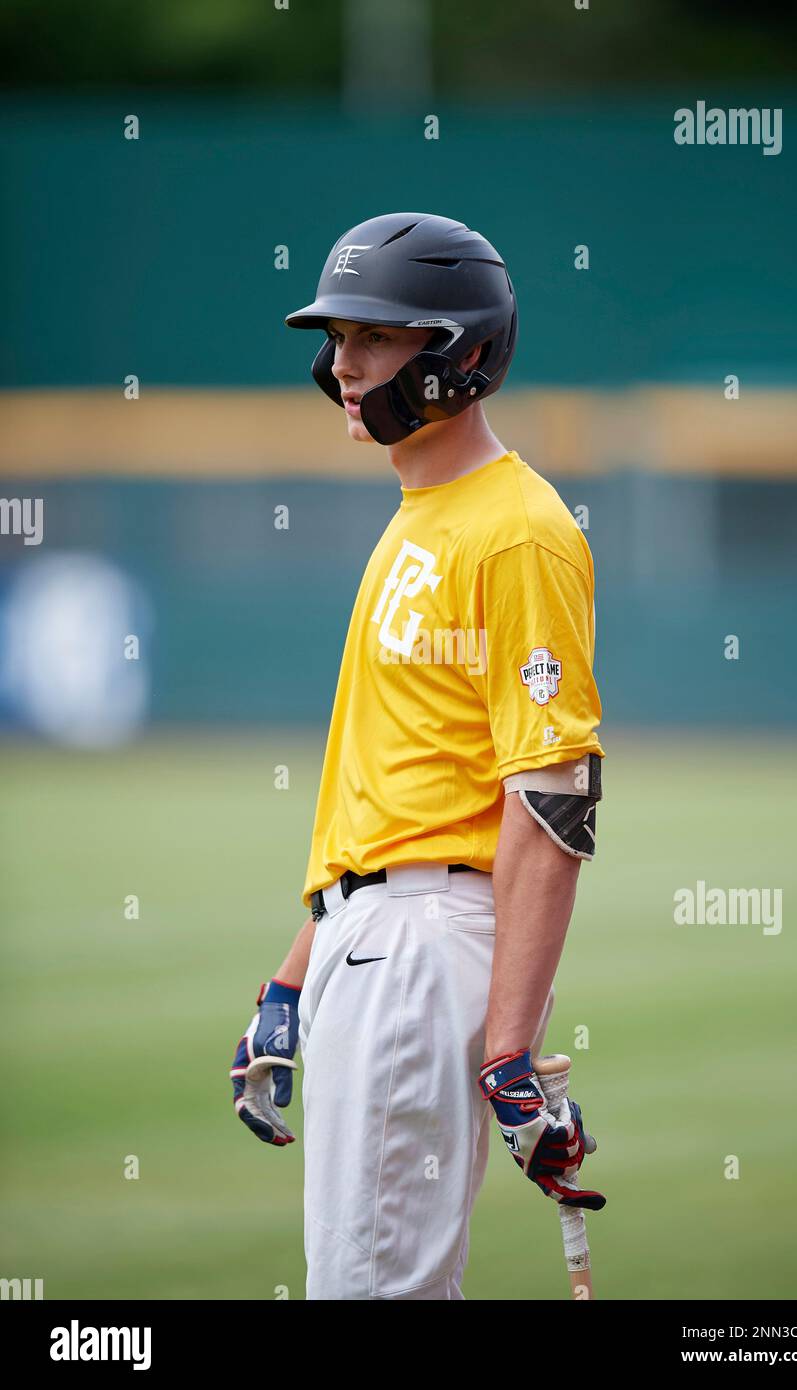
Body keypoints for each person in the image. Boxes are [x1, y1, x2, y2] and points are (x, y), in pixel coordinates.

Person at [230, 212, 606, 1301]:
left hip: (418, 950)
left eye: (376, 336)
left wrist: (509, 1053)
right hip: (369, 941)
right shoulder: (418, 511)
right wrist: (290, 981)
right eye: (337, 336)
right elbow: (398, 794)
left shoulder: (516, 528)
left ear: (460, 352)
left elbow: (550, 798)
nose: (344, 364)